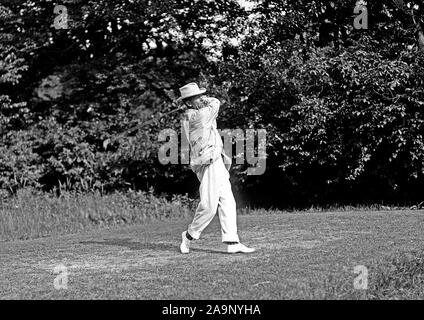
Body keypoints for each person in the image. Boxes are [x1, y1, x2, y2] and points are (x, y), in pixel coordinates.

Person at [177, 82, 255, 254]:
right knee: (209, 206)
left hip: (215, 159)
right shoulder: (199, 115)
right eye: (198, 96)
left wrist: (197, 101)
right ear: (189, 102)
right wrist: (205, 100)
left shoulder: (190, 114)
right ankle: (189, 235)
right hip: (208, 161)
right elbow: (216, 102)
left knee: (228, 200)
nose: (202, 98)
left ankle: (232, 242)